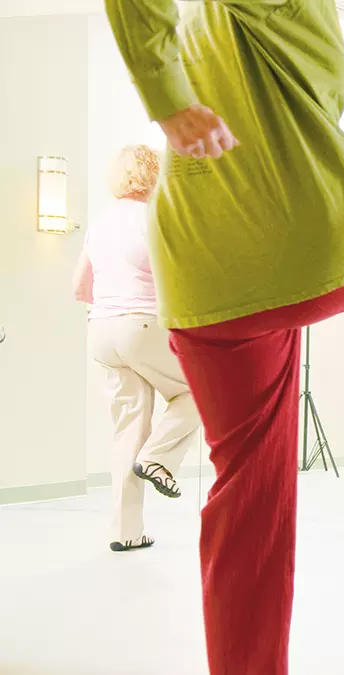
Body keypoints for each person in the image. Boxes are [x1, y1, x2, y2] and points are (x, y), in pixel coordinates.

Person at [105, 2, 344, 673]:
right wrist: (167, 102)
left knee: (248, 504)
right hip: (319, 245)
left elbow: (328, 84)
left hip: (204, 282)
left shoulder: (230, 29)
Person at [72, 145, 202, 553]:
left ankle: (126, 532)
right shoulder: (152, 219)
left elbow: (80, 288)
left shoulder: (100, 223)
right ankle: (158, 457)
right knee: (201, 390)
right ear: (154, 174)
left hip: (101, 331)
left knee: (128, 429)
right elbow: (175, 279)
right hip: (140, 326)